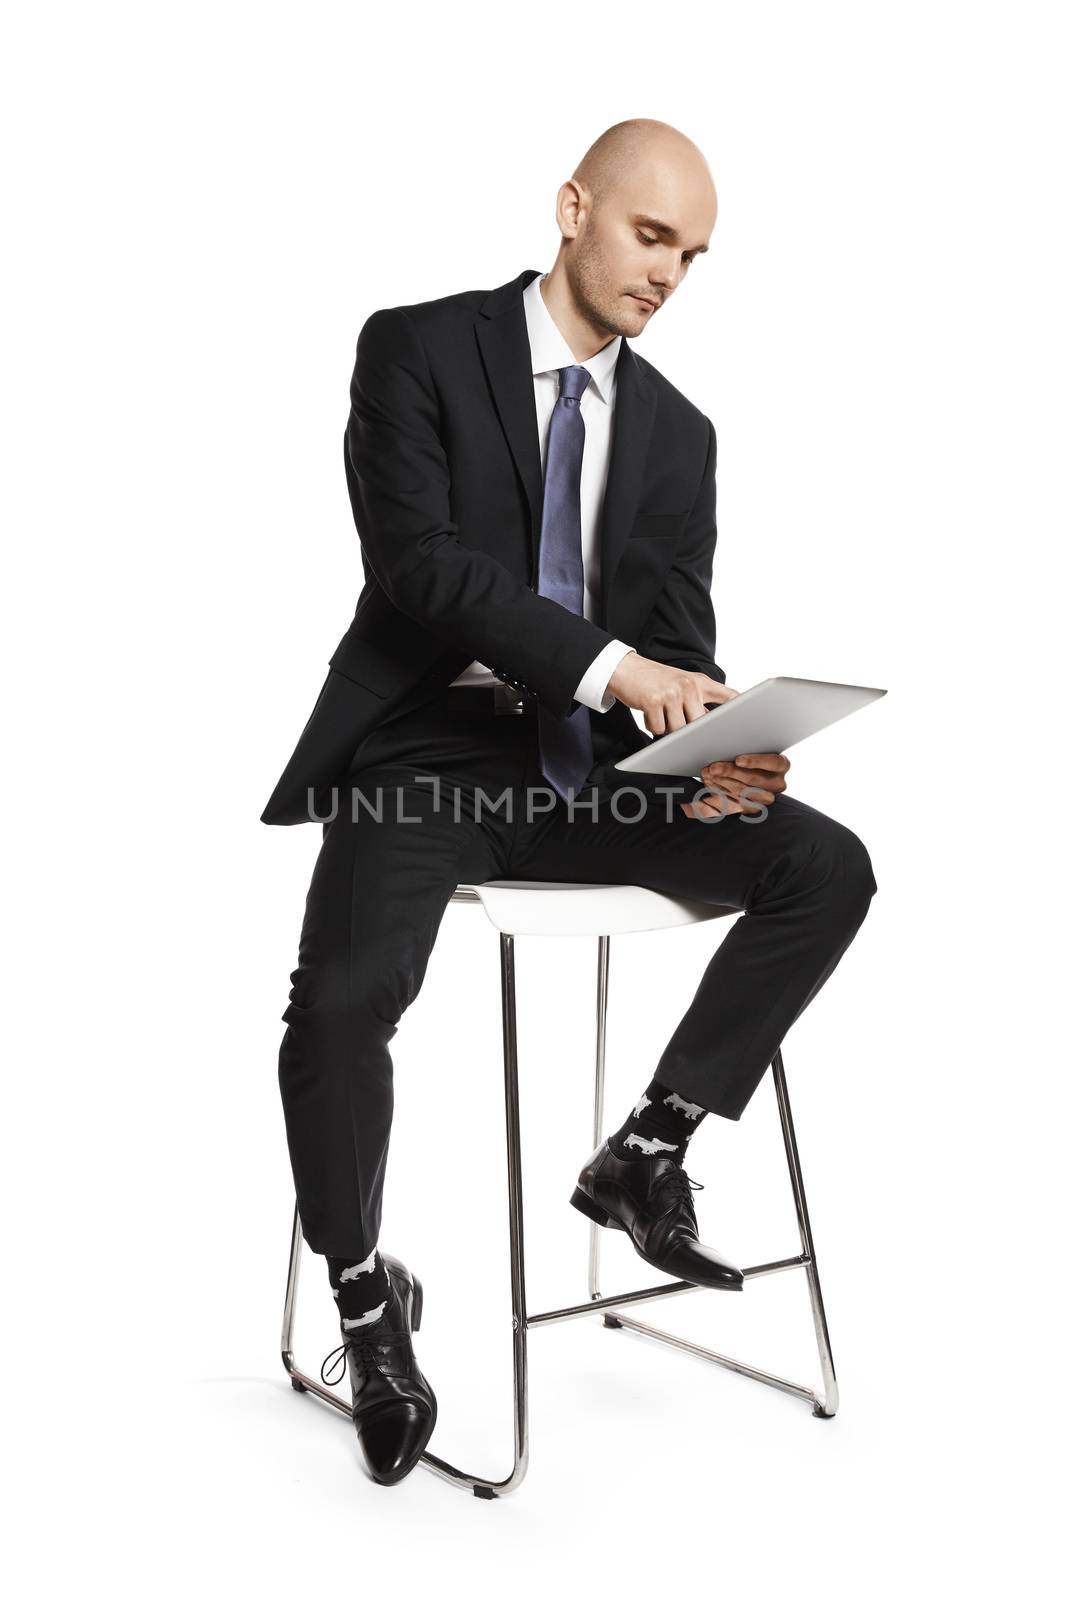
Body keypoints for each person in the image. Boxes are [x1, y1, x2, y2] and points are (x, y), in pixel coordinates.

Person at [262, 118, 878, 1487]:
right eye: (652, 235)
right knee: (347, 994)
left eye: (694, 255)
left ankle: (647, 1151)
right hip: (423, 756)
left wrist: (718, 734)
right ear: (574, 208)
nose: (669, 273)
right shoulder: (419, 351)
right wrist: (619, 668)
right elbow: (425, 571)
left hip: (588, 780)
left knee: (824, 864)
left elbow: (678, 632)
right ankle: (368, 1299)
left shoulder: (680, 434)